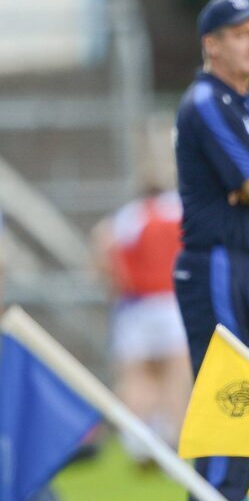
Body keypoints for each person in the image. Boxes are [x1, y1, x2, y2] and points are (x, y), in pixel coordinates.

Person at [173, 0, 249, 501]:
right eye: (240, 32)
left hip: (246, 261)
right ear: (211, 45)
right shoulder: (207, 101)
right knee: (228, 391)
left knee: (246, 392)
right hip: (215, 261)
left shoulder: (243, 105)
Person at [92, 184, 192, 465]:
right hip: (172, 301)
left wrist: (116, 282)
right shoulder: (179, 209)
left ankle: (136, 442)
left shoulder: (132, 215)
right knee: (176, 374)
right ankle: (172, 438)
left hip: (138, 303)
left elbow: (103, 242)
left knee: (136, 375)